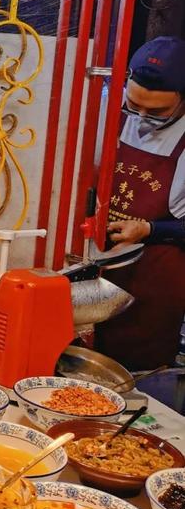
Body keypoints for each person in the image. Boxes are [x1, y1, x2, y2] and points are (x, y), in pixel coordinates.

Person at [95, 36, 185, 370]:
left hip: (153, 280)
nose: (141, 117)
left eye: (158, 112)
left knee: (134, 376)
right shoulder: (109, 108)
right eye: (134, 105)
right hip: (98, 268)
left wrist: (149, 229)